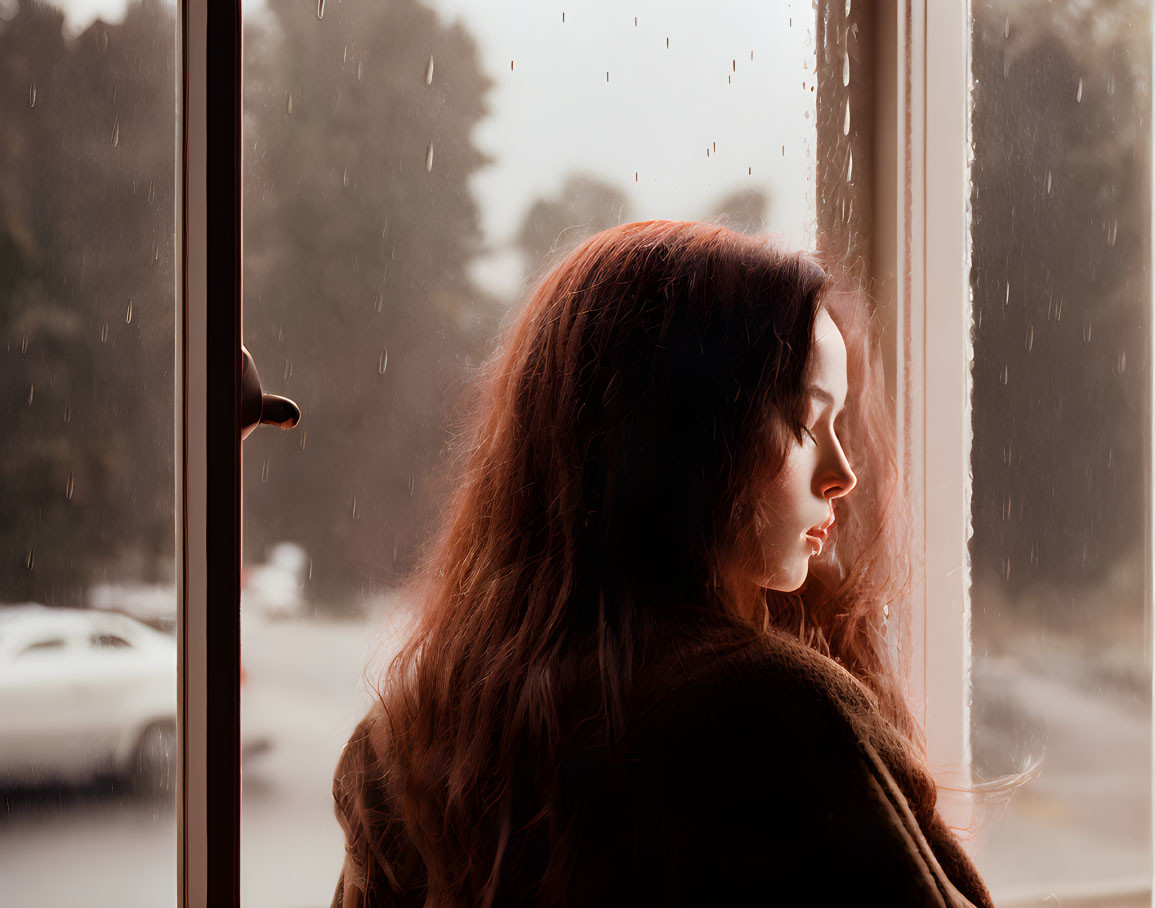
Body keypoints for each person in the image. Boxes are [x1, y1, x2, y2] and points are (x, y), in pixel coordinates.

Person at [331, 220, 994, 907]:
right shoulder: (772, 717)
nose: (842, 474)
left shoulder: (403, 744)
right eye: (803, 419)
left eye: (839, 423)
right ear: (680, 439)